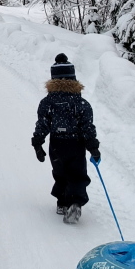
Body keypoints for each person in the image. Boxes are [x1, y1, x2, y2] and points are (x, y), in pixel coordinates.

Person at [31, 53, 100, 224]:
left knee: (60, 173)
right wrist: (93, 147)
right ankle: (74, 202)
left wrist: (38, 143)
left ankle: (62, 203)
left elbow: (43, 124)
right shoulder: (81, 104)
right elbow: (87, 127)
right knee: (77, 175)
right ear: (74, 79)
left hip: (57, 144)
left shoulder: (47, 103)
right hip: (76, 144)